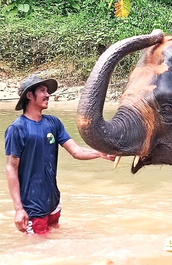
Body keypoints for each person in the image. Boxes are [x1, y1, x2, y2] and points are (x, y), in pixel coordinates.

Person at [5, 75, 115, 235]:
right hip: (32, 208)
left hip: (53, 202)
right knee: (38, 250)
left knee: (53, 241)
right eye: (42, 91)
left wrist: (100, 153)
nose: (48, 95)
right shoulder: (17, 129)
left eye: (47, 91)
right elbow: (11, 168)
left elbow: (76, 151)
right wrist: (19, 209)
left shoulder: (53, 123)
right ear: (29, 95)